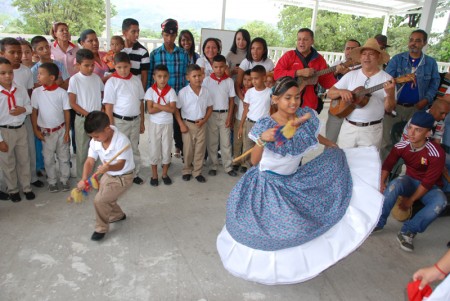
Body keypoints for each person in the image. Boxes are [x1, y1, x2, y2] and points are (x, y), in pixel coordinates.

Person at [217, 76, 383, 285]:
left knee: (309, 218)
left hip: (293, 179)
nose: (294, 102)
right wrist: (261, 139)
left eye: (297, 97)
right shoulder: (265, 124)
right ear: (275, 99)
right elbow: (254, 161)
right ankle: (271, 268)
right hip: (267, 184)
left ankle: (297, 263)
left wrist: (330, 144)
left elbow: (313, 136)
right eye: (287, 98)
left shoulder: (305, 117)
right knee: (273, 229)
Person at [374, 111, 446, 252]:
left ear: (428, 133)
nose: (411, 133)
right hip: (409, 180)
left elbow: (427, 183)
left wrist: (411, 200)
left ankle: (408, 231)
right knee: (394, 185)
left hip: (429, 187)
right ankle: (378, 221)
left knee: (440, 202)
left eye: (418, 130)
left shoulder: (436, 153)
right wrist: (381, 183)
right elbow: (388, 165)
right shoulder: (402, 146)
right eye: (410, 128)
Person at [381, 29, 441, 160]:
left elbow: (435, 83)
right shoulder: (398, 59)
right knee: (387, 142)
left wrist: (426, 99)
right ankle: (384, 173)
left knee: (413, 143)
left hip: (417, 109)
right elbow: (385, 80)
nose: (413, 43)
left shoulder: (430, 63)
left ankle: (407, 173)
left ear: (424, 43)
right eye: (411, 40)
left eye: (417, 41)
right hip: (395, 107)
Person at [327, 38, 395, 149]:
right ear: (360, 57)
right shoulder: (351, 75)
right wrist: (341, 91)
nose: (367, 57)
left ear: (378, 57)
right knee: (344, 162)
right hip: (348, 128)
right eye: (364, 54)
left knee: (366, 165)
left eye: (371, 54)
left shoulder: (387, 79)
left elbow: (389, 109)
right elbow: (330, 93)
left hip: (371, 130)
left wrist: (390, 94)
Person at [77, 111, 134, 241]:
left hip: (123, 177)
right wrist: (84, 178)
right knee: (106, 197)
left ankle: (101, 228)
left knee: (100, 200)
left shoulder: (122, 141)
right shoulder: (95, 140)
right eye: (92, 137)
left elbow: (120, 165)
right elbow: (90, 160)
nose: (94, 139)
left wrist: (108, 167)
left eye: (96, 136)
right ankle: (118, 215)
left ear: (107, 129)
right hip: (108, 174)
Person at [148, 18, 189, 160]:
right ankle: (163, 159)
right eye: (166, 35)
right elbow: (150, 78)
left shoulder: (183, 54)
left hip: (178, 99)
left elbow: (186, 77)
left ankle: (183, 155)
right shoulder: (155, 54)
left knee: (179, 129)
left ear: (176, 35)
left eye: (172, 36)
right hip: (160, 101)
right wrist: (150, 100)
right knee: (161, 131)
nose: (169, 38)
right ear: (162, 35)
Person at [103, 52, 145, 185]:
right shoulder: (112, 82)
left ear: (130, 65)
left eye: (126, 67)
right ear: (114, 66)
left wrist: (142, 121)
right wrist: (110, 126)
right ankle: (119, 174)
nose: (123, 70)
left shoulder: (136, 80)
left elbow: (140, 102)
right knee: (119, 149)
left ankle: (134, 173)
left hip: (135, 120)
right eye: (119, 67)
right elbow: (109, 106)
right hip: (119, 121)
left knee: (134, 148)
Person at [273, 28, 337, 111]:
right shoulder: (289, 56)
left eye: (305, 39)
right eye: (299, 39)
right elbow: (277, 74)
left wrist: (339, 74)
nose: (301, 42)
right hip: (288, 105)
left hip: (309, 105)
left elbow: (327, 82)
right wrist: (298, 73)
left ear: (312, 41)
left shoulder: (319, 59)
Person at [31, 63, 71, 192]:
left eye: (41, 74)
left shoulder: (62, 93)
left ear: (52, 77)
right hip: (46, 132)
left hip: (61, 130)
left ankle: (64, 179)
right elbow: (34, 112)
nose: (38, 76)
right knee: (48, 159)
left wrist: (66, 132)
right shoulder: (37, 92)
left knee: (64, 156)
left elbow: (66, 112)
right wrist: (36, 130)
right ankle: (52, 181)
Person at [0, 57, 35, 202]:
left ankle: (26, 187)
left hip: (20, 129)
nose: (7, 76)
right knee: (8, 162)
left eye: (10, 72)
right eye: (2, 73)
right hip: (4, 131)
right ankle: (13, 189)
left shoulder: (20, 89)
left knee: (24, 159)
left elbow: (30, 107)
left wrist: (23, 109)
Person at [68, 49, 105, 179]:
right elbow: (72, 103)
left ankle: (97, 177)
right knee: (83, 150)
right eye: (86, 65)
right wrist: (88, 114)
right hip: (82, 120)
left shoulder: (96, 78)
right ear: (78, 65)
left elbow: (102, 95)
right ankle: (82, 179)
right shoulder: (74, 80)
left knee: (99, 149)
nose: (90, 68)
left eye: (92, 65)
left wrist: (101, 111)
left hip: (97, 120)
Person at [174, 64, 213, 183]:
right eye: (194, 76)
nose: (197, 78)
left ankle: (197, 171)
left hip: (201, 124)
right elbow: (176, 110)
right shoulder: (183, 92)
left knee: (200, 149)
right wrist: (181, 124)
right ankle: (187, 170)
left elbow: (210, 107)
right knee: (188, 149)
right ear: (188, 78)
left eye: (200, 75)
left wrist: (204, 120)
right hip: (188, 124)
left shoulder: (206, 91)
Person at [202, 54, 237, 177]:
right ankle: (213, 165)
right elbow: (204, 99)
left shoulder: (229, 81)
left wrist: (230, 117)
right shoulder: (206, 81)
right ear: (212, 66)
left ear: (226, 67)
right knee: (212, 141)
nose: (219, 69)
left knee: (226, 142)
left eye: (221, 67)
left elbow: (232, 100)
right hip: (211, 114)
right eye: (216, 67)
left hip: (225, 114)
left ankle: (228, 166)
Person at [145, 64, 177, 186]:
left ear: (168, 77)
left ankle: (164, 174)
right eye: (159, 76)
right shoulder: (150, 91)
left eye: (164, 76)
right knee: (154, 148)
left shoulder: (171, 91)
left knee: (167, 148)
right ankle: (154, 175)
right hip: (155, 124)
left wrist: (157, 105)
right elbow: (150, 110)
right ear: (154, 77)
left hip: (167, 124)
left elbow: (173, 110)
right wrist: (166, 107)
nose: (162, 79)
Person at [325, 39, 361, 143]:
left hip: (355, 109)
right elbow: (327, 85)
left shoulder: (364, 67)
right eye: (347, 48)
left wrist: (345, 72)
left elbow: (361, 87)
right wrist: (335, 73)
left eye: (353, 49)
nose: (349, 51)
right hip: (337, 106)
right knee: (331, 141)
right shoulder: (337, 64)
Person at [238, 65, 272, 168]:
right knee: (248, 147)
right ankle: (248, 168)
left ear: (264, 78)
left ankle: (259, 168)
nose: (253, 81)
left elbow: (274, 109)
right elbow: (246, 110)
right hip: (249, 123)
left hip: (263, 125)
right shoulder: (249, 92)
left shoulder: (270, 92)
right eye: (252, 78)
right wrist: (241, 125)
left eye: (256, 78)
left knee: (261, 147)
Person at [232, 69, 252, 172]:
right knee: (237, 142)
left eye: (250, 80)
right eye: (245, 79)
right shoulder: (240, 91)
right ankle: (236, 161)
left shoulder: (254, 93)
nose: (247, 82)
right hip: (238, 119)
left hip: (249, 121)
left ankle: (245, 163)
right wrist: (233, 119)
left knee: (246, 143)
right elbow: (235, 105)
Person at [122, 18, 150, 90]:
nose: (137, 34)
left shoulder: (143, 52)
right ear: (124, 33)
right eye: (133, 32)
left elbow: (144, 76)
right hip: (120, 90)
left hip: (135, 90)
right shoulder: (118, 50)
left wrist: (141, 95)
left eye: (138, 31)